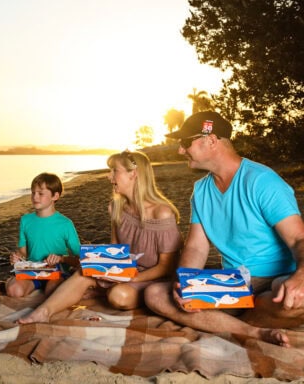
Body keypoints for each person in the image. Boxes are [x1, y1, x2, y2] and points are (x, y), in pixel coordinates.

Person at [143, 111, 304, 347]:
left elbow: (299, 238)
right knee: (154, 295)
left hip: (278, 280)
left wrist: (301, 277)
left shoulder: (262, 181)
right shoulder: (200, 190)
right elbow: (197, 247)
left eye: (185, 143)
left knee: (292, 298)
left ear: (210, 140)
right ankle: (254, 330)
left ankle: (228, 320)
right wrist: (185, 283)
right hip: (233, 282)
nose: (180, 150)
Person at [17, 150, 181, 324]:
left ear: (133, 174)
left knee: (118, 296)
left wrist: (131, 278)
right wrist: (102, 269)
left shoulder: (161, 212)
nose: (109, 176)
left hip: (151, 278)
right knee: (83, 273)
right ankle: (43, 312)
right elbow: (115, 250)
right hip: (123, 273)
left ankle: (98, 291)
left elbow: (166, 266)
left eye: (114, 171)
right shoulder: (116, 207)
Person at [5, 172, 81, 299]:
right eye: (33, 192)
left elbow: (80, 259)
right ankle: (11, 282)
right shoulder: (25, 220)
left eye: (40, 193)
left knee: (52, 292)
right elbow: (23, 252)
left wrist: (62, 259)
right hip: (32, 272)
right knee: (14, 291)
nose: (35, 197)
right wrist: (17, 257)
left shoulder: (66, 224)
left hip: (57, 273)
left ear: (55, 196)